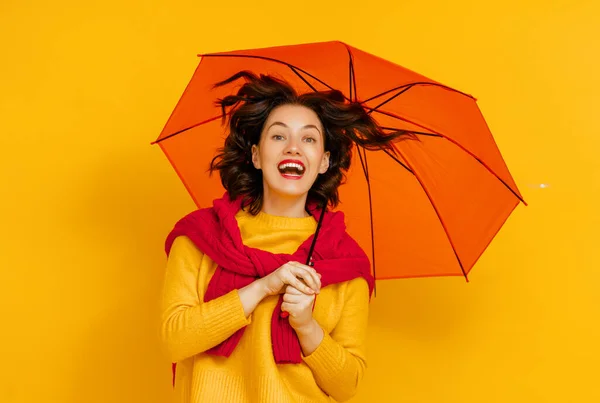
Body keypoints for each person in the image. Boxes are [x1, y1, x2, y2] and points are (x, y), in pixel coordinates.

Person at [159, 71, 409, 402]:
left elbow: (347, 385)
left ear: (323, 162)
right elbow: (175, 340)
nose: (293, 147)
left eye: (309, 139)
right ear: (256, 155)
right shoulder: (202, 236)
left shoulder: (343, 260)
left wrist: (306, 325)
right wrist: (263, 287)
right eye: (278, 137)